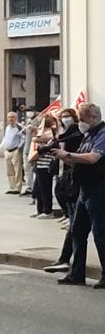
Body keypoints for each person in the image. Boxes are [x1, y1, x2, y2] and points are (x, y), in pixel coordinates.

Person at [52, 103, 105, 287]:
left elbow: (93, 158)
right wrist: (64, 156)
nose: (80, 123)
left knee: (100, 233)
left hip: (99, 189)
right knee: (77, 231)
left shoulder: (102, 134)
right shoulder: (88, 135)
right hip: (84, 189)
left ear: (92, 117)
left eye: (82, 119)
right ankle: (76, 274)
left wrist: (69, 155)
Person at [43, 109, 86, 274]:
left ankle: (67, 262)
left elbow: (88, 158)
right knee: (77, 228)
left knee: (80, 228)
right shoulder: (67, 134)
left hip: (81, 186)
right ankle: (71, 267)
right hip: (69, 183)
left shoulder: (81, 135)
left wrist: (66, 155)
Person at [29, 112, 60, 220]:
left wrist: (35, 135)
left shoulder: (51, 133)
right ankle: (40, 209)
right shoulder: (43, 132)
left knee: (45, 188)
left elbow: (36, 139)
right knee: (38, 189)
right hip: (39, 163)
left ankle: (48, 210)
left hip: (46, 164)